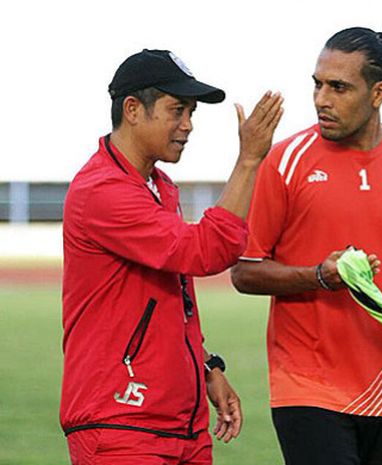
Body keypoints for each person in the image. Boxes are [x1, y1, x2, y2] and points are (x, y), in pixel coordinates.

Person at [230, 27, 382, 465]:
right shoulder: (285, 160)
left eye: (338, 87)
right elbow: (244, 271)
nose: (321, 99)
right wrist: (320, 276)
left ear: (380, 92)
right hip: (307, 385)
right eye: (317, 84)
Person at [60, 49, 283, 464]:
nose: (188, 125)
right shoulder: (103, 191)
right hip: (122, 424)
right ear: (132, 110)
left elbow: (165, 299)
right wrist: (250, 159)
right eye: (177, 110)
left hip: (178, 424)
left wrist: (205, 367)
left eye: (191, 112)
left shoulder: (158, 186)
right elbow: (206, 251)